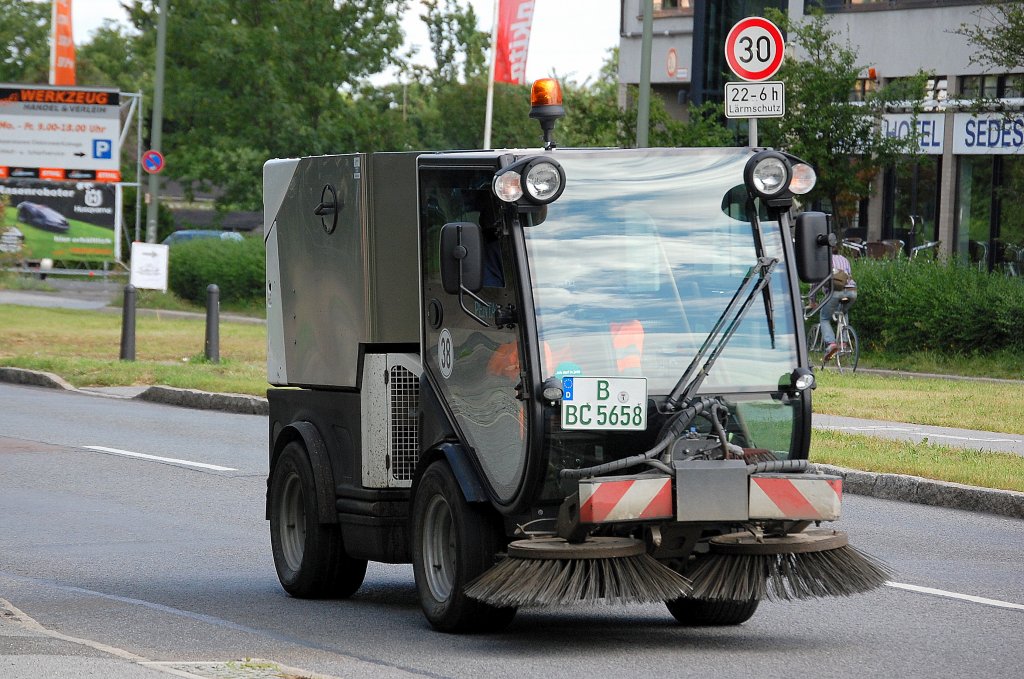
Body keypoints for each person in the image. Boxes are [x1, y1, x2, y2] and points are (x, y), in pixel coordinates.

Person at [821, 252, 857, 361]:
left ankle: (831, 344)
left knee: (824, 318)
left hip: (835, 292)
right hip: (852, 291)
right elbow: (848, 275)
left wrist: (811, 300)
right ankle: (844, 343)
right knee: (843, 312)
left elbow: (818, 281)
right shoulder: (844, 259)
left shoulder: (825, 261)